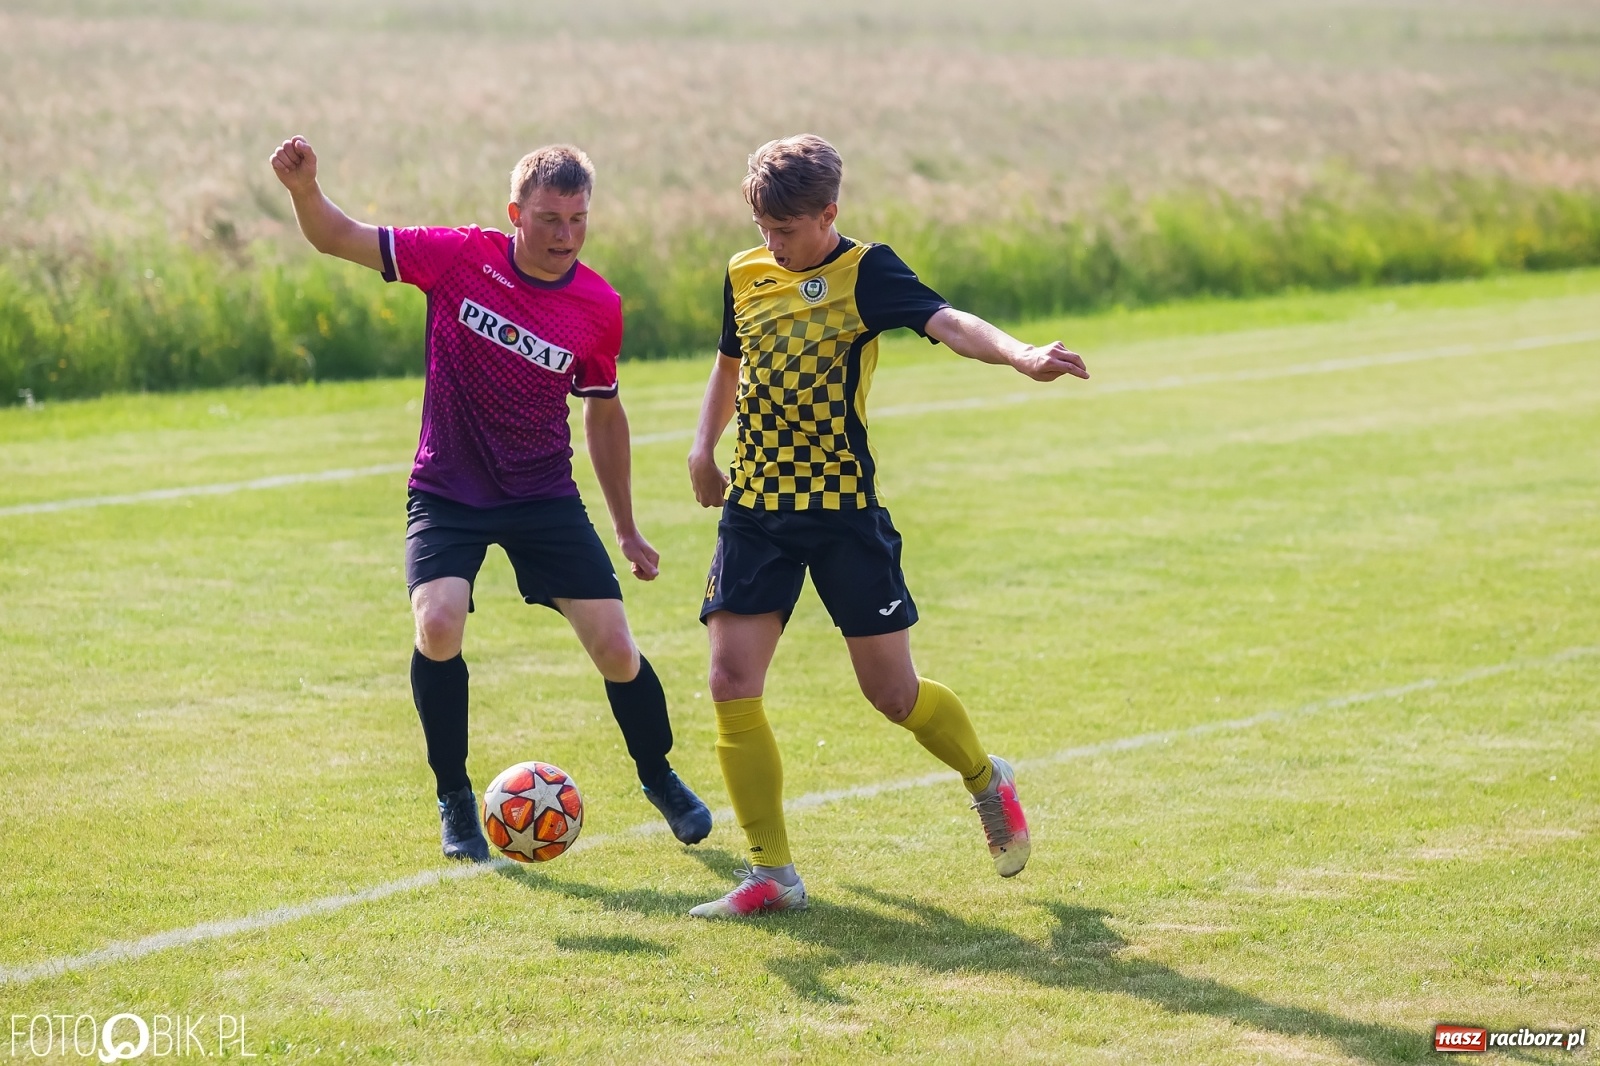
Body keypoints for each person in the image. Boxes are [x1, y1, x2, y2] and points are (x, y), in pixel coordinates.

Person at [269, 135, 712, 861]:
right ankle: (453, 797)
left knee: (615, 647)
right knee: (437, 624)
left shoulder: (598, 306)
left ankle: (658, 773)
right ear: (515, 213)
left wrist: (627, 529)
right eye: (548, 219)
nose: (564, 236)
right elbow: (338, 237)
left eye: (578, 220)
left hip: (542, 493)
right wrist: (304, 191)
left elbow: (604, 412)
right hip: (450, 488)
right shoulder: (456, 256)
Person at [685, 134, 1089, 917]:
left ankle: (984, 777)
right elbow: (729, 363)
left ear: (830, 212)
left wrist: (1020, 355)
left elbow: (949, 320)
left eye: (789, 229)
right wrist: (704, 447)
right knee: (730, 679)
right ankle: (774, 874)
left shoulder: (866, 271)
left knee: (893, 694)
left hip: (841, 513)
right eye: (763, 227)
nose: (774, 242)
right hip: (757, 512)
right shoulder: (744, 272)